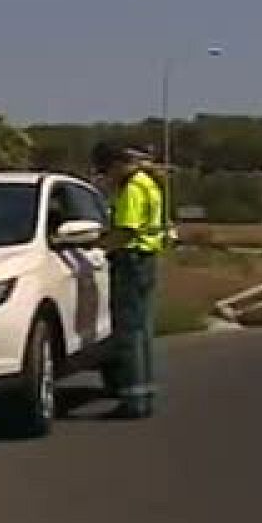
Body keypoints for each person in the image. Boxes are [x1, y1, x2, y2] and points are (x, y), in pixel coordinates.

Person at [91, 142, 166, 420]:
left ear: (116, 165)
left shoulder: (132, 188)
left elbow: (126, 230)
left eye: (107, 171)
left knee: (129, 332)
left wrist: (100, 249)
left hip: (131, 260)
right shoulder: (149, 184)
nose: (107, 177)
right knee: (142, 331)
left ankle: (133, 399)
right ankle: (143, 395)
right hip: (147, 259)